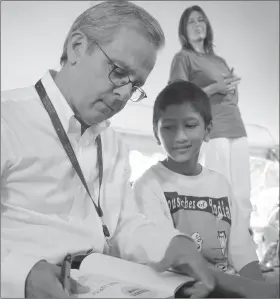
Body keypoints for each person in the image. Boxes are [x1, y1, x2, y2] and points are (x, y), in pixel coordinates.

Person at [1, 1, 216, 298]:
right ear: (77, 46)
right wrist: (18, 273)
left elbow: (122, 225)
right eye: (118, 71)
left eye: (136, 85)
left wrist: (171, 244)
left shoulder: (112, 143)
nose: (124, 95)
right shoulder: (6, 119)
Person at [133, 81, 264, 280]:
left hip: (223, 286)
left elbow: (242, 250)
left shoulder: (221, 184)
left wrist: (258, 289)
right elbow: (169, 253)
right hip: (179, 288)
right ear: (155, 133)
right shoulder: (148, 185)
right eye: (168, 127)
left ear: (208, 130)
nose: (180, 136)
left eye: (190, 125)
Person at [168, 5, 252, 229]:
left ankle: (241, 245)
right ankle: (218, 248)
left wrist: (231, 89)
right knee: (219, 191)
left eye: (201, 20)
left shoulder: (220, 61)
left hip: (236, 125)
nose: (198, 25)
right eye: (191, 22)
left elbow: (232, 97)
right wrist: (215, 87)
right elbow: (178, 97)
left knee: (242, 194)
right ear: (183, 31)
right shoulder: (183, 58)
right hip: (212, 129)